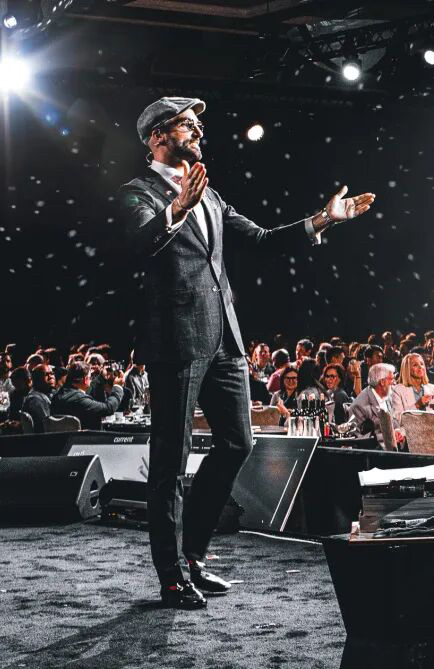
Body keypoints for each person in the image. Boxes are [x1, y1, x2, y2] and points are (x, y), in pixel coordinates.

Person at [117, 96, 375, 609]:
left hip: (225, 339)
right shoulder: (137, 193)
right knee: (170, 460)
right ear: (157, 136)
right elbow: (138, 244)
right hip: (176, 339)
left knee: (237, 443)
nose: (198, 131)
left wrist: (322, 220)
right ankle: (172, 576)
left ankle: (193, 556)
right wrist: (176, 208)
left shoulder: (210, 195)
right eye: (187, 125)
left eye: (199, 125)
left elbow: (261, 239)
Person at [51, 362, 124, 430]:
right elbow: (108, 408)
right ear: (85, 379)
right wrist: (117, 387)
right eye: (90, 377)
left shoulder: (57, 395)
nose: (91, 380)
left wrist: (101, 377)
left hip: (62, 438)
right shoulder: (79, 399)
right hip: (86, 438)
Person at [349, 363, 404, 450]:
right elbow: (357, 438)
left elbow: (395, 422)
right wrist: (388, 437)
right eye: (391, 379)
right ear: (382, 382)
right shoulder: (359, 406)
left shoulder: (389, 396)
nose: (394, 382)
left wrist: (397, 431)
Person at [390, 353, 434, 422]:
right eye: (415, 365)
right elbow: (398, 418)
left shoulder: (432, 388)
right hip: (410, 428)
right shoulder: (398, 390)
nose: (420, 367)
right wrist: (417, 405)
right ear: (407, 369)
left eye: (422, 364)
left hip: (431, 426)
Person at [22, 364, 56, 432]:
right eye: (46, 375)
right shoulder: (35, 400)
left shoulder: (47, 393)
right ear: (37, 380)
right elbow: (47, 425)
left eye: (52, 373)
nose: (50, 377)